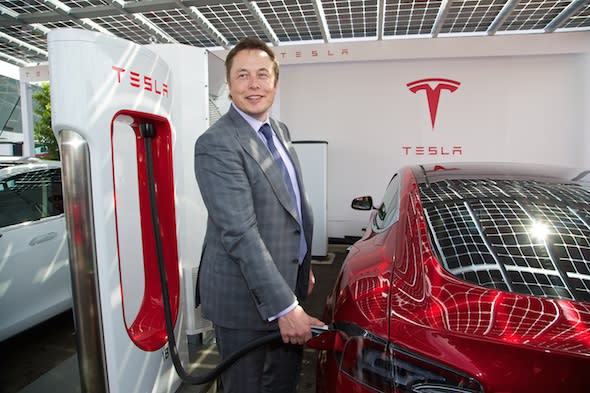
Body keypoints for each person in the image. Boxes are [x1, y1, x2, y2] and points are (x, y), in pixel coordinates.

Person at [193, 37, 324, 393]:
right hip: (241, 299)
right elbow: (241, 232)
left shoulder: (279, 132)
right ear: (230, 86)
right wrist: (285, 306)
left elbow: (289, 206)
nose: (254, 84)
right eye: (243, 75)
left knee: (281, 382)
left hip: (288, 281)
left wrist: (302, 262)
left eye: (263, 75)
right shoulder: (217, 143)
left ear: (275, 83)